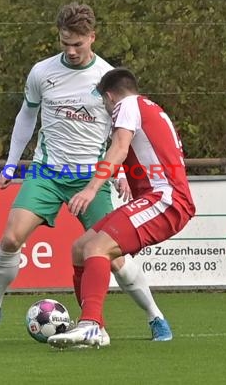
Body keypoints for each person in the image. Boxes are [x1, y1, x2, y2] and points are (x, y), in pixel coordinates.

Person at [0, 3, 172, 343]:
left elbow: (122, 133)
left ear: (92, 38)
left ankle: (155, 317)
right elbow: (26, 117)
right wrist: (12, 162)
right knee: (10, 238)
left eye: (77, 44)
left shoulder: (108, 78)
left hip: (91, 177)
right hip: (47, 172)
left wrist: (123, 173)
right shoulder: (42, 72)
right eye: (64, 42)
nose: (70, 51)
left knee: (113, 256)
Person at [47, 68, 196, 348]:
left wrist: (91, 188)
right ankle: (95, 327)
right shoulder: (148, 107)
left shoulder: (126, 105)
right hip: (160, 197)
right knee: (81, 248)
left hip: (166, 200)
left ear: (110, 96)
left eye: (104, 102)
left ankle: (91, 325)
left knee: (96, 248)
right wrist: (125, 175)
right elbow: (144, 150)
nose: (106, 108)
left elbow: (120, 147)